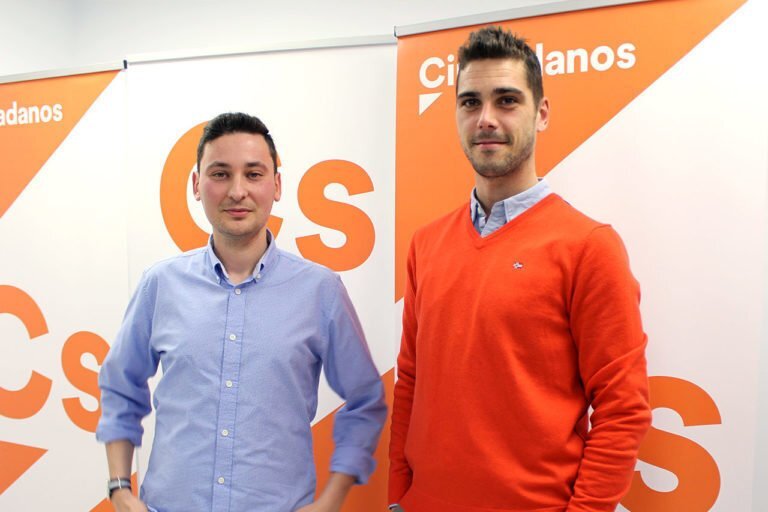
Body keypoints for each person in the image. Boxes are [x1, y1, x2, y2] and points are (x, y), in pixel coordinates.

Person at [388, 27, 651, 512]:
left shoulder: (589, 247)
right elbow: (411, 381)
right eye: (470, 103)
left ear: (541, 113)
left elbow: (623, 408)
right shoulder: (426, 243)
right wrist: (398, 497)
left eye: (507, 100)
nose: (486, 119)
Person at [96, 112, 386, 512]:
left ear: (276, 185)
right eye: (220, 174)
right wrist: (119, 488)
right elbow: (120, 385)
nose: (237, 191)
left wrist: (331, 500)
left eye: (253, 174)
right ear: (196, 185)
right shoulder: (160, 284)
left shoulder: (320, 290)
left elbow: (365, 398)